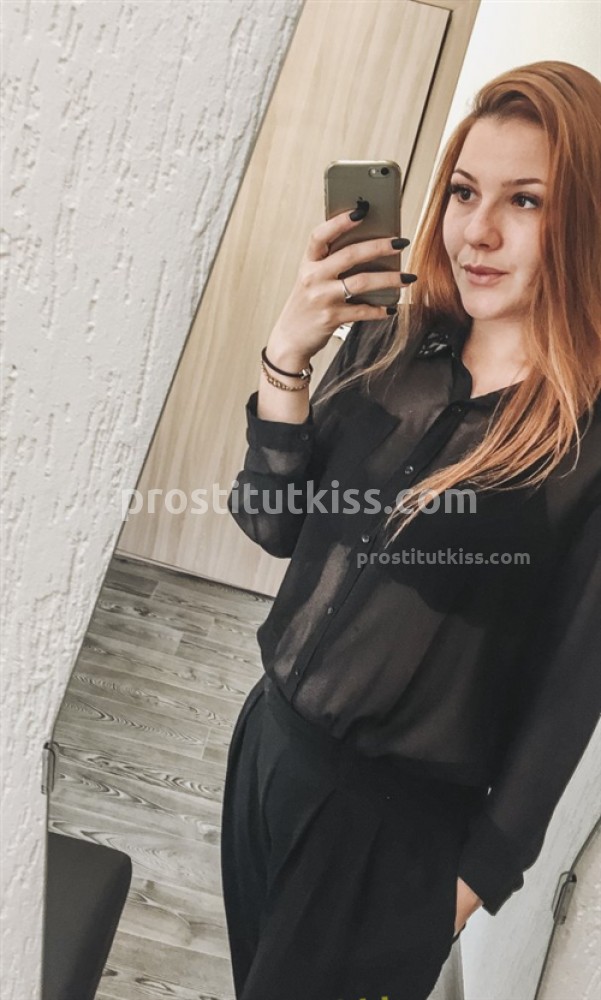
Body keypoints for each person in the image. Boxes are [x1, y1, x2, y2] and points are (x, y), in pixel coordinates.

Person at [220, 60, 601, 1000]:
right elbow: (274, 524)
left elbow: (574, 680)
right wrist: (286, 358)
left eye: (524, 201)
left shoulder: (584, 441)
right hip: (266, 748)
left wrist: (472, 883)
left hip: (387, 837)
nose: (477, 231)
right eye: (464, 191)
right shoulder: (391, 340)